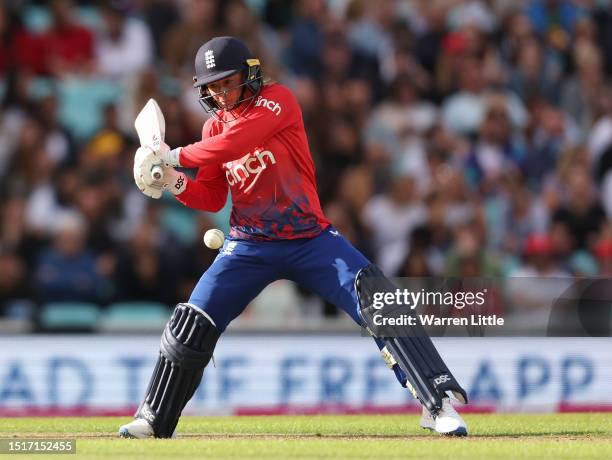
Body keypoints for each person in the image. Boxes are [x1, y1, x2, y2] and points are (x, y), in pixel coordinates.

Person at [121, 36, 468, 438]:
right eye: (211, 87)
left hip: (310, 237)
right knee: (191, 323)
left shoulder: (278, 99)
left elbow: (238, 142)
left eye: (226, 82)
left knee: (379, 299)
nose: (219, 92)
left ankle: (438, 403)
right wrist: (175, 182)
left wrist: (174, 155)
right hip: (249, 243)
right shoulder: (213, 126)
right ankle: (154, 419)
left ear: (249, 75)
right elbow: (213, 193)